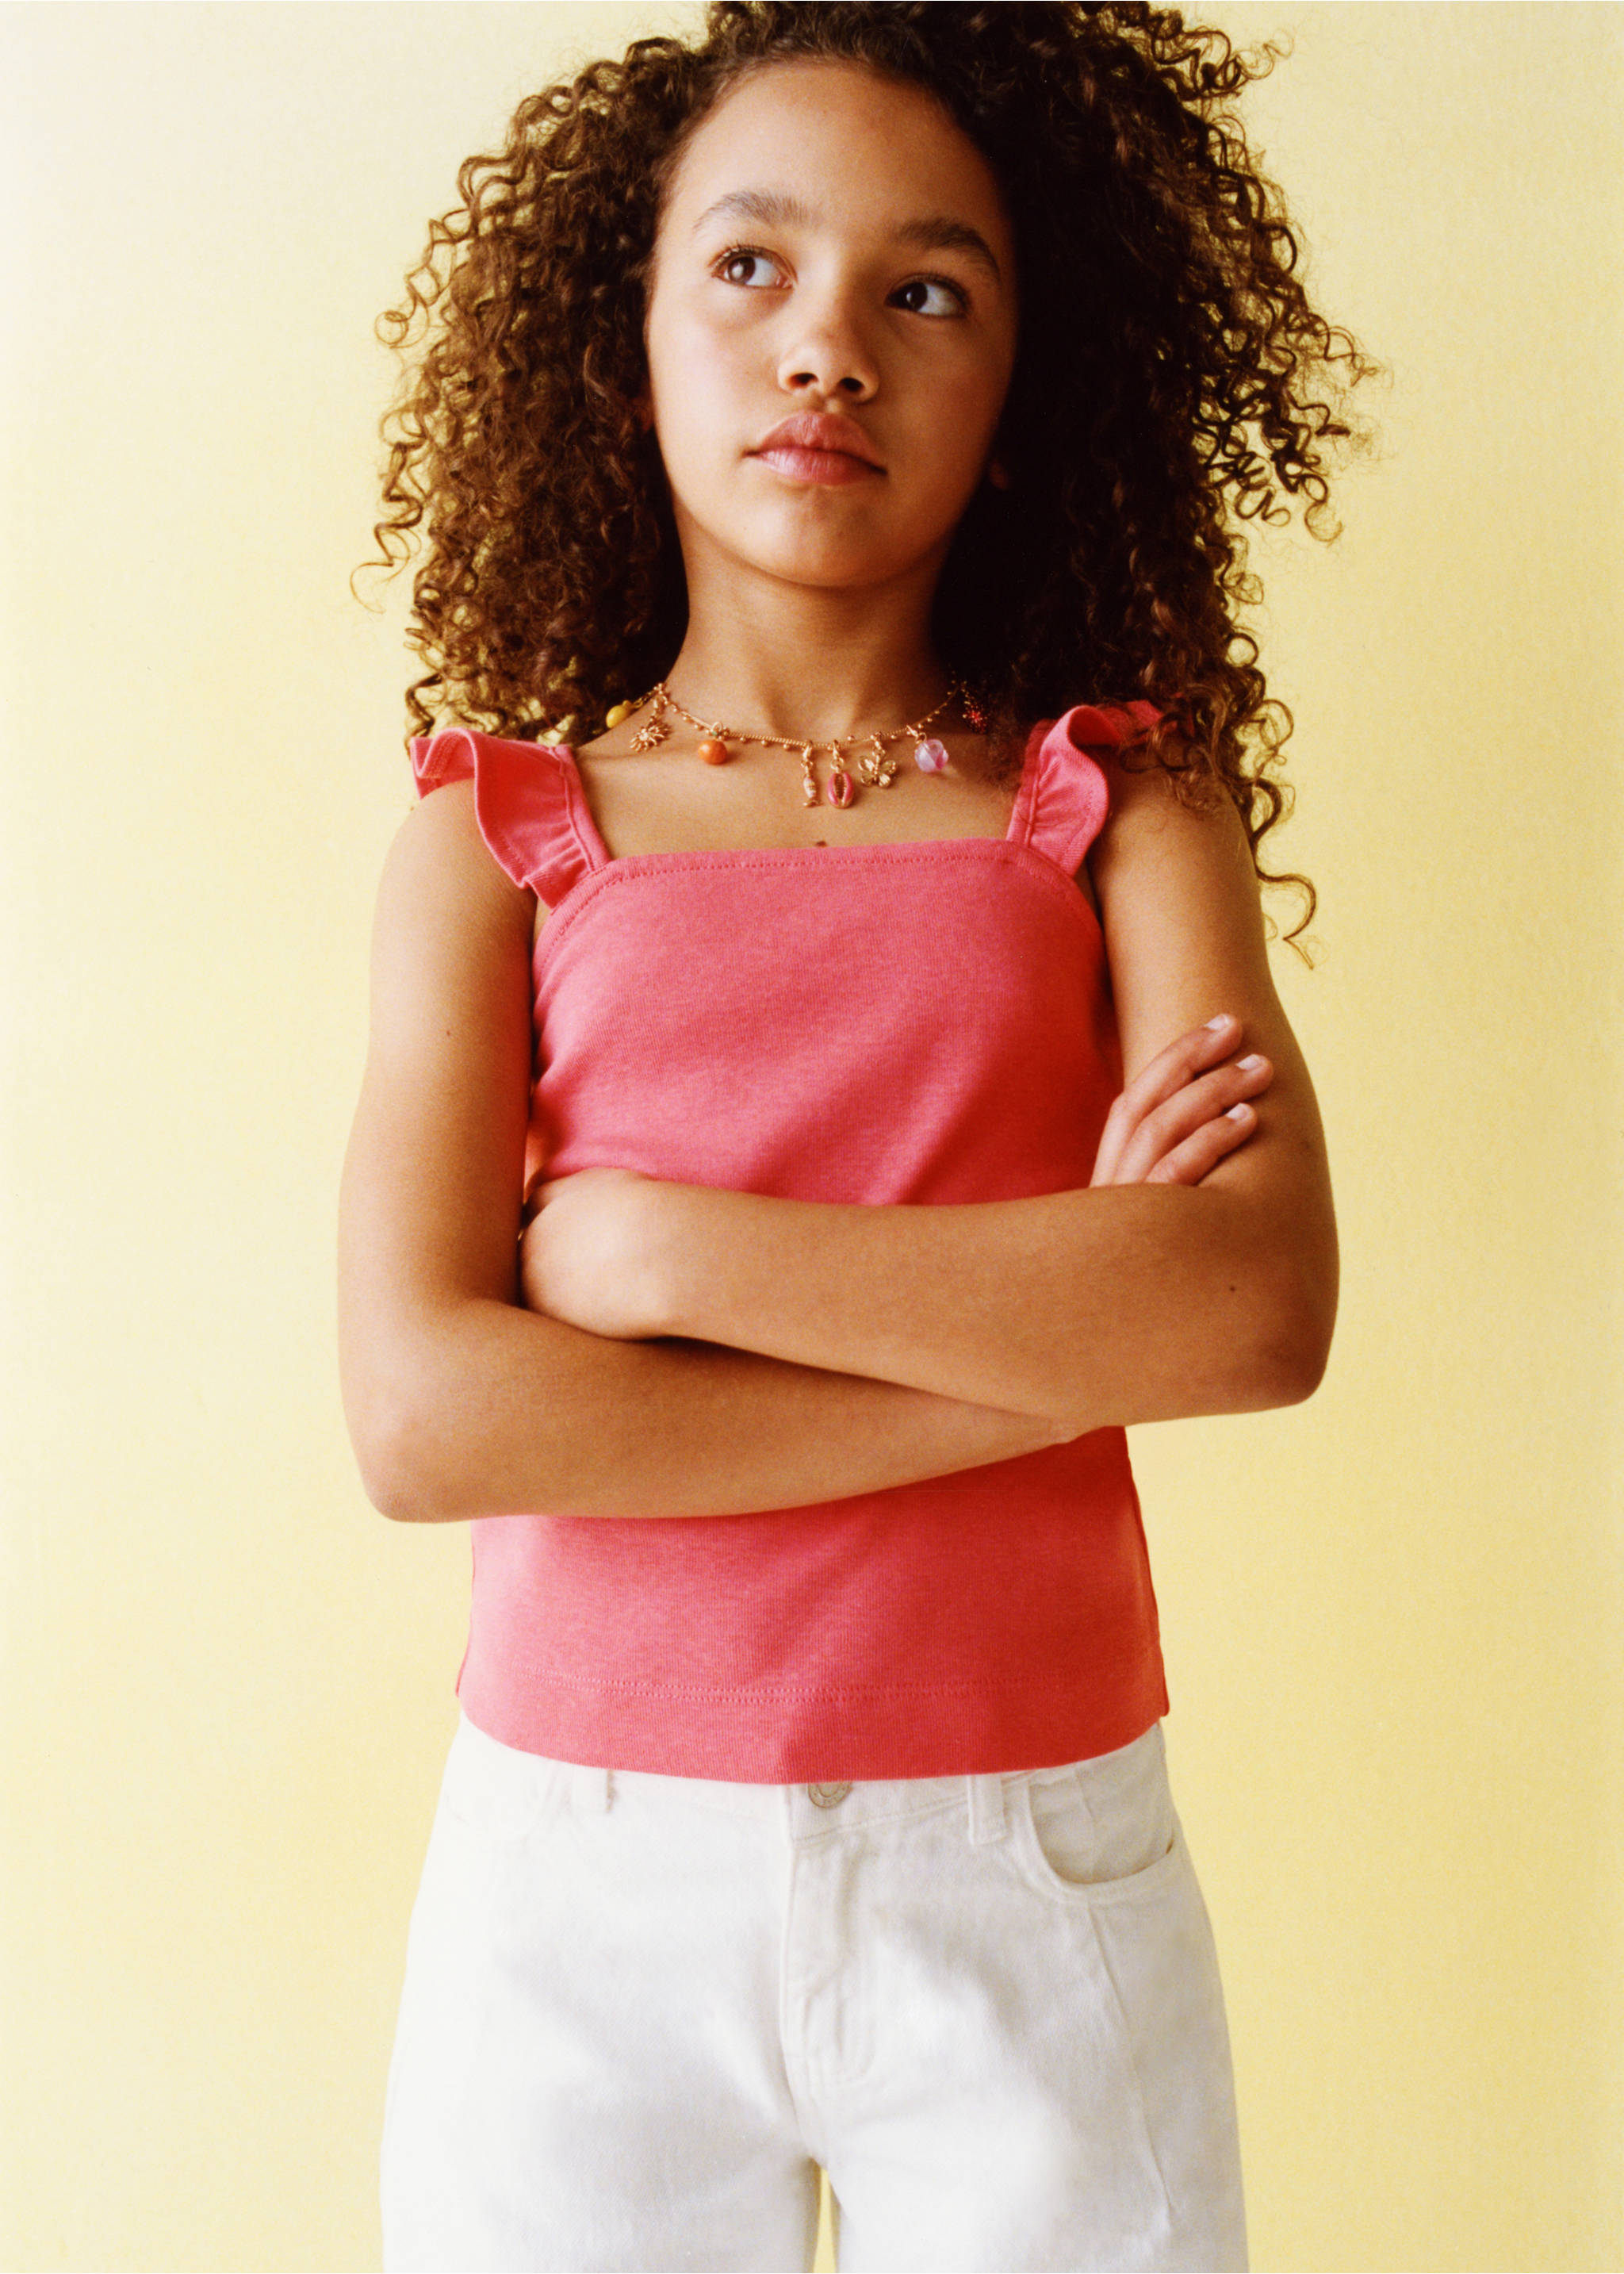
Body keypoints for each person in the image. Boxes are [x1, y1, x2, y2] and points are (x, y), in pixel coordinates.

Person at [339, 6, 1365, 2267]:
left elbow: (1249, 1309)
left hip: (1036, 1856)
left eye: (927, 290)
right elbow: (427, 1419)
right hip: (579, 1875)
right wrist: (1051, 1340)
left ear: (1023, 400)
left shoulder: (1119, 811)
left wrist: (655, 1257)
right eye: (750, 267)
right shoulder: (499, 837)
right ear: (620, 348)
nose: (829, 346)